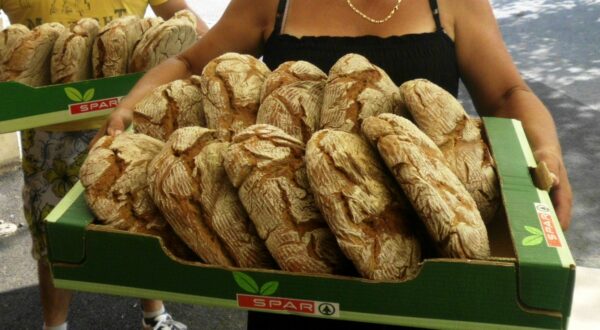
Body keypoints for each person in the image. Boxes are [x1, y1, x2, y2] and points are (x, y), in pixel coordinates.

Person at [97, 0, 574, 328]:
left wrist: (546, 151)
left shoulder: (447, 2)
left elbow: (508, 94)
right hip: (294, 264)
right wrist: (133, 103)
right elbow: (188, 63)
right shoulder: (274, 1)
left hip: (425, 267)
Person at [0, 1, 209, 330]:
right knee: (54, 236)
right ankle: (54, 325)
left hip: (128, 121)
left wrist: (216, 50)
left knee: (139, 223)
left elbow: (179, 15)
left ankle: (154, 314)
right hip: (48, 131)